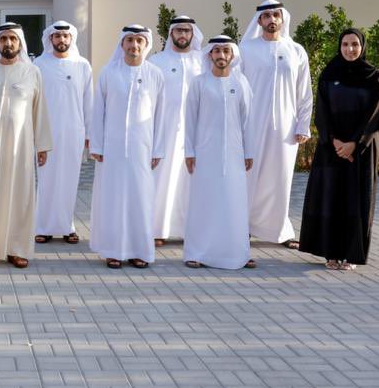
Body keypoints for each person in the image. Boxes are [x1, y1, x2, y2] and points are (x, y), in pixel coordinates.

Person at [300, 28, 379, 270]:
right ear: (339, 46)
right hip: (332, 148)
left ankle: (350, 255)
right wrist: (335, 141)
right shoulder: (329, 74)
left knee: (356, 199)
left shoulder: (374, 77)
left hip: (361, 150)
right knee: (331, 198)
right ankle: (331, 254)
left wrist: (354, 143)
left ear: (362, 46)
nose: (350, 49)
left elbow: (375, 115)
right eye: (346, 44)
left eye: (355, 44)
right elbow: (322, 111)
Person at [0, 22, 52, 269]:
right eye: (3, 39)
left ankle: (17, 249)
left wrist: (42, 146)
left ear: (20, 43)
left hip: (21, 148)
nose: (8, 43)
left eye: (13, 39)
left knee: (20, 197)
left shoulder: (32, 73)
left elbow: (40, 111)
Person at [89, 25, 165, 269]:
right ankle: (113, 251)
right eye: (130, 40)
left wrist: (158, 149)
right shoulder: (108, 73)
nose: (134, 45)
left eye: (139, 41)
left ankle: (139, 251)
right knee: (113, 199)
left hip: (143, 150)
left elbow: (161, 115)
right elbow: (97, 111)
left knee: (140, 199)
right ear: (122, 44)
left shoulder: (155, 74)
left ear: (146, 44)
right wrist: (97, 145)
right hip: (111, 150)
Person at [240, 0, 313, 249]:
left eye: (276, 15)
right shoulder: (246, 49)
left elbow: (305, 91)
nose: (272, 19)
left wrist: (303, 124)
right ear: (259, 21)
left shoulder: (296, 51)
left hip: (285, 126)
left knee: (280, 178)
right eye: (267, 15)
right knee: (249, 176)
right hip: (251, 124)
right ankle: (242, 228)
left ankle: (279, 231)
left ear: (282, 19)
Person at [182, 36, 256, 270]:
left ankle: (237, 254)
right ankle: (197, 253)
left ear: (232, 55)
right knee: (204, 203)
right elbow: (190, 119)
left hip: (234, 154)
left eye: (226, 51)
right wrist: (190, 151)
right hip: (205, 153)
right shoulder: (199, 83)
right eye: (217, 52)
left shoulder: (241, 82)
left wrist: (249, 150)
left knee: (234, 203)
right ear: (209, 55)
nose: (221, 56)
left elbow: (247, 121)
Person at [33, 20, 93, 245]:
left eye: (65, 36)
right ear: (50, 39)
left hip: (74, 132)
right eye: (57, 36)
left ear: (71, 38)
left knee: (69, 180)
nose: (61, 40)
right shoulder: (39, 64)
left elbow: (89, 102)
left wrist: (89, 135)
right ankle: (43, 227)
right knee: (47, 179)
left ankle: (68, 226)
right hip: (46, 133)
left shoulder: (82, 65)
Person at [150, 15, 203, 246]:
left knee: (192, 180)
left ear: (193, 34)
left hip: (198, 130)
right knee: (163, 178)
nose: (183, 35)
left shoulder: (203, 61)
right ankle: (158, 230)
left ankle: (190, 230)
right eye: (179, 30)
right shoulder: (156, 61)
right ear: (171, 33)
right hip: (165, 129)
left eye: (187, 31)